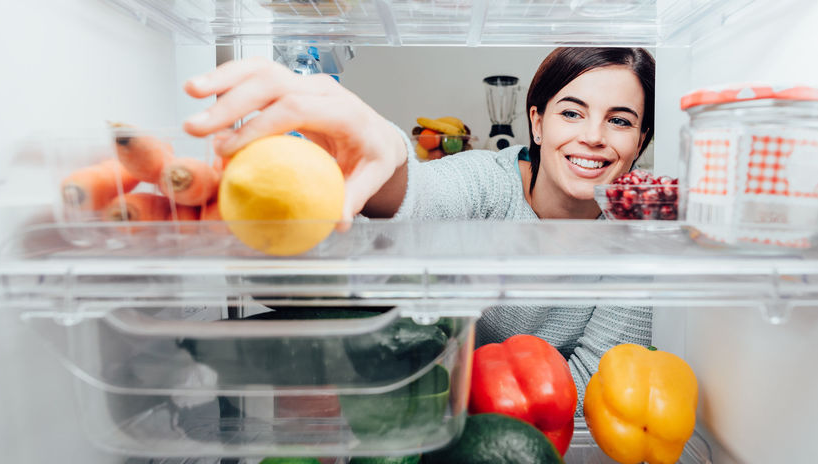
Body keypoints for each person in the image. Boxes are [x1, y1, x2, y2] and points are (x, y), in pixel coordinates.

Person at [183, 47, 655, 414]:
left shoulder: (636, 237)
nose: (593, 135)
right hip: (429, 407)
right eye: (571, 112)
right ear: (536, 122)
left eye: (619, 121)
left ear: (640, 144)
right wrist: (385, 151)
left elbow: (602, 382)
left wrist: (479, 402)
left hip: (528, 426)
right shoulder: (488, 180)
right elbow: (422, 197)